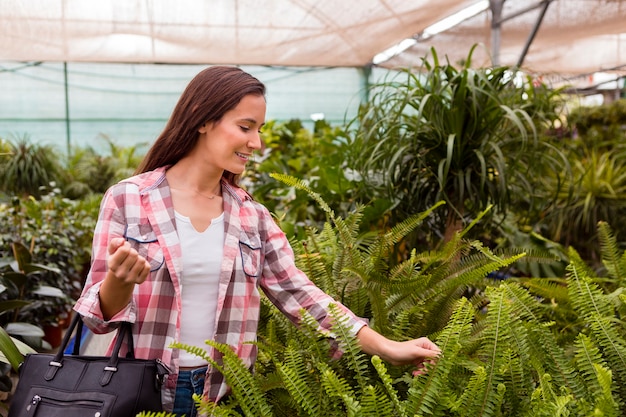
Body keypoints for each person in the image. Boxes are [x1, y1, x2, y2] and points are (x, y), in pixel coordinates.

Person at [73, 65, 441, 416]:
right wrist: (119, 282)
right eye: (246, 127)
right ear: (203, 118)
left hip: (223, 395)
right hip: (140, 391)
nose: (257, 142)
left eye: (259, 129)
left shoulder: (253, 217)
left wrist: (386, 347)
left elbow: (302, 296)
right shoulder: (128, 199)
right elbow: (96, 318)